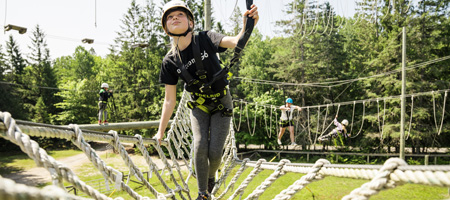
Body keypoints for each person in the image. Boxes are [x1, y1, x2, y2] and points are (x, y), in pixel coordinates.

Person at [153, 1, 259, 199]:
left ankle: (211, 176)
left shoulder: (205, 38)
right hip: (198, 105)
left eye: (180, 15)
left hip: (221, 104)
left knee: (215, 153)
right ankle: (203, 194)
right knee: (199, 146)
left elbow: (236, 41)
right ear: (166, 29)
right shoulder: (169, 62)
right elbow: (169, 100)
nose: (174, 18)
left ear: (191, 22)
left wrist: (247, 25)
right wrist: (161, 131)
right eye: (170, 17)